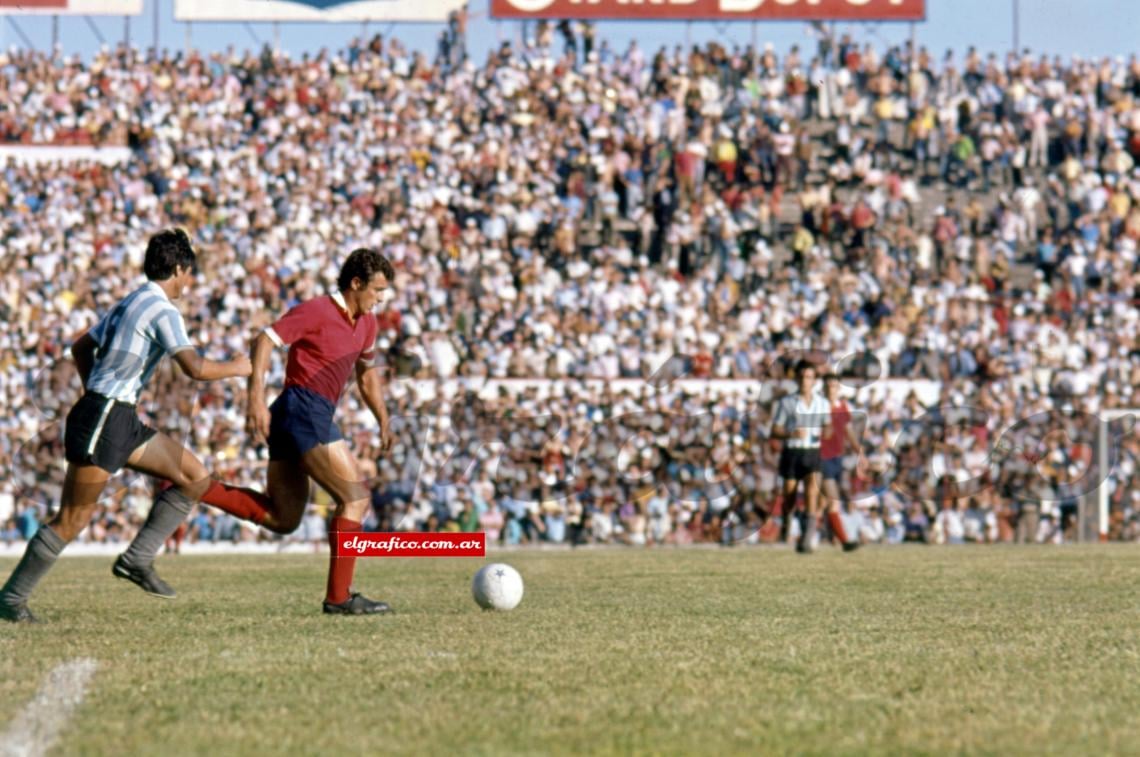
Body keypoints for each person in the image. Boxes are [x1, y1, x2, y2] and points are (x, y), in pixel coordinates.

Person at [117, 248, 397, 616]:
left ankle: (197, 486)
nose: (380, 298)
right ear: (356, 283)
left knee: (283, 519)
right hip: (302, 408)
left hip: (298, 416)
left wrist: (384, 418)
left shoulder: (368, 324)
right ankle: (339, 598)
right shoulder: (317, 310)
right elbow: (264, 340)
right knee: (355, 499)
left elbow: (368, 375)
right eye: (376, 290)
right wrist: (256, 400)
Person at [0, 228, 252, 623]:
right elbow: (195, 368)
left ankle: (137, 559)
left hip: (116, 415)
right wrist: (239, 367)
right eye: (190, 274)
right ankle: (10, 600)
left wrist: (97, 391)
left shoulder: (131, 299)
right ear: (180, 268)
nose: (190, 282)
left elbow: (81, 347)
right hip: (106, 415)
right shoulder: (163, 309)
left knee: (194, 475)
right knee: (72, 519)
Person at [770, 360, 831, 554]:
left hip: (812, 451)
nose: (805, 380)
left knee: (812, 491)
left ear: (814, 381)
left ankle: (807, 537)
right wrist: (791, 433)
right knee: (789, 495)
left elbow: (828, 426)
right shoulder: (787, 403)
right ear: (797, 378)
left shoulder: (822, 403)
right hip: (792, 452)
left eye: (809, 377)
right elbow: (775, 430)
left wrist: (825, 432)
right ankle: (788, 523)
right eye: (803, 376)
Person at [819, 374, 867, 551]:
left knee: (825, 503)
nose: (831, 389)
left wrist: (860, 453)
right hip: (821, 458)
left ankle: (826, 535)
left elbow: (849, 432)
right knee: (833, 501)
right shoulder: (819, 407)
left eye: (834, 386)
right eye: (828, 386)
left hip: (837, 459)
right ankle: (844, 541)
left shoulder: (843, 408)